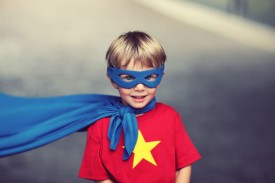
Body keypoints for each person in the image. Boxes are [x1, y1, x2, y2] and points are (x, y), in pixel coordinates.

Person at [78, 31, 201, 183]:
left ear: (160, 77)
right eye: (129, 78)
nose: (140, 87)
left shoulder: (170, 116)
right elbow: (99, 176)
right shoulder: (100, 124)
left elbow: (183, 165)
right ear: (113, 80)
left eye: (149, 77)